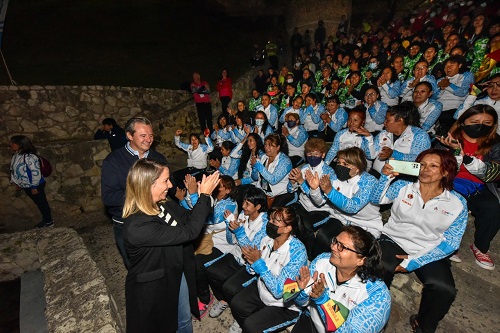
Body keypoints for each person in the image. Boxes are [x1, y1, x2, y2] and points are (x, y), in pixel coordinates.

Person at [371, 148, 468, 333]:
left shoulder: (457, 203)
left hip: (429, 248)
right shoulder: (404, 186)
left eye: (433, 166)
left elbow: (452, 242)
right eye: (422, 164)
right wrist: (386, 177)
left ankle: (424, 325)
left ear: (446, 171)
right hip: (394, 239)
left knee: (444, 289)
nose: (425, 169)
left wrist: (414, 261)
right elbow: (377, 199)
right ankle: (374, 317)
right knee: (380, 265)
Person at [122, 159, 220, 333]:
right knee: (163, 325)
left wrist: (200, 197)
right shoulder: (137, 225)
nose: (170, 185)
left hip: (174, 269)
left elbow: (190, 219)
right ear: (148, 185)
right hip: (154, 284)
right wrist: (204, 196)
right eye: (165, 181)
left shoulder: (162, 202)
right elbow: (189, 232)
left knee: (183, 320)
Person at [291, 226, 391, 333]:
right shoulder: (322, 261)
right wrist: (302, 291)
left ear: (361, 260)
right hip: (311, 322)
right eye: (335, 241)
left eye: (342, 247)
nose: (333, 247)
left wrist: (323, 301)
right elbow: (300, 302)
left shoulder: (377, 296)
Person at [437, 105, 500, 270]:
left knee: (493, 207)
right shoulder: (448, 136)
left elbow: (493, 174)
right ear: (464, 121)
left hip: (481, 187)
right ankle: (447, 242)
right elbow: (437, 167)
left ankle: (480, 247)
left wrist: (466, 158)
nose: (480, 126)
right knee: (454, 201)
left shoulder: (495, 143)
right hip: (451, 182)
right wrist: (454, 151)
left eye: (487, 123)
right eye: (475, 121)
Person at [101, 116, 167, 269]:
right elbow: (108, 197)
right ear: (129, 136)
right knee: (137, 268)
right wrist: (144, 195)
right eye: (143, 135)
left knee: (160, 263)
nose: (148, 139)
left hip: (155, 220)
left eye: (151, 135)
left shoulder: (158, 158)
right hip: (126, 223)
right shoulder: (114, 160)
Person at [228, 206, 308, 333]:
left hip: (283, 305)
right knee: (237, 304)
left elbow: (279, 291)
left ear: (287, 228)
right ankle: (242, 324)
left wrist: (258, 263)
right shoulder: (267, 238)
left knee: (251, 326)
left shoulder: (297, 252)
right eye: (270, 219)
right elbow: (251, 270)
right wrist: (252, 263)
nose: (269, 224)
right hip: (263, 289)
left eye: (274, 222)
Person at [205, 187, 269, 319]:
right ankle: (223, 300)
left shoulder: (265, 224)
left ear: (258, 207)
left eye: (247, 204)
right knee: (212, 272)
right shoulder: (243, 215)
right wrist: (231, 226)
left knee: (230, 287)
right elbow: (232, 241)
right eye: (243, 202)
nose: (243, 206)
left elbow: (251, 251)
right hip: (237, 254)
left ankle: (238, 312)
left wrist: (239, 231)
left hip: (250, 264)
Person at [307, 147, 382, 258]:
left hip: (364, 224)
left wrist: (330, 191)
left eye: (345, 164)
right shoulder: (334, 176)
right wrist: (314, 189)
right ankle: (315, 263)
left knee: (350, 251)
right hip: (340, 218)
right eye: (339, 162)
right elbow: (319, 202)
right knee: (323, 236)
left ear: (357, 168)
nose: (340, 167)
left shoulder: (369, 182)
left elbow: (353, 207)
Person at [288, 138, 336, 260]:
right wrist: (293, 182)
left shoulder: (329, 173)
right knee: (287, 215)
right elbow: (290, 190)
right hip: (303, 204)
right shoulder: (304, 168)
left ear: (323, 154)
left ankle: (308, 256)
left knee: (305, 225)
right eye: (309, 154)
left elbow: (319, 202)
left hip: (320, 209)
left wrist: (301, 182)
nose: (312, 157)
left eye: (316, 154)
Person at [372, 102, 431, 174]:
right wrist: (368, 138)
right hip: (376, 175)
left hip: (401, 178)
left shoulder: (419, 135)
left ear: (400, 121)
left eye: (387, 120)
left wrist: (393, 154)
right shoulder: (384, 133)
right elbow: (371, 155)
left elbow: (419, 161)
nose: (384, 123)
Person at [10, 135, 53, 228]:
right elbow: (14, 170)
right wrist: (17, 183)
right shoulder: (17, 155)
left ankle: (49, 222)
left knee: (42, 203)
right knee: (39, 203)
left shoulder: (29, 157)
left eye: (13, 143)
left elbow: (35, 172)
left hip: (35, 185)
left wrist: (34, 187)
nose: (11, 145)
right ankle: (46, 220)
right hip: (27, 185)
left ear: (20, 144)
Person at [252, 133, 294, 208]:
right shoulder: (263, 157)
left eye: (270, 145)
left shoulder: (285, 161)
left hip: (279, 194)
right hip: (263, 191)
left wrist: (258, 165)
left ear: (278, 147)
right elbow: (254, 177)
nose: (267, 148)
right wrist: (255, 166)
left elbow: (273, 180)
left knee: (272, 211)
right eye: (265, 145)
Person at [436, 55, 474, 136]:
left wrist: (449, 85)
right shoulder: (440, 80)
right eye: (445, 66)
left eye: (451, 65)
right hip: (438, 109)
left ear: (460, 65)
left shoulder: (466, 76)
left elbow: (463, 92)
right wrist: (440, 89)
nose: (447, 68)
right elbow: (432, 96)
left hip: (454, 110)